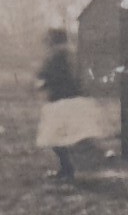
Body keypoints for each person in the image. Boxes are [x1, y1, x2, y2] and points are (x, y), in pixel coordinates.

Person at [35, 29, 106, 182]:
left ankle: (68, 169)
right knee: (67, 137)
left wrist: (41, 82)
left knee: (56, 138)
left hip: (62, 103)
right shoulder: (69, 56)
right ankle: (69, 168)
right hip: (73, 102)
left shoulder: (55, 57)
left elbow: (45, 76)